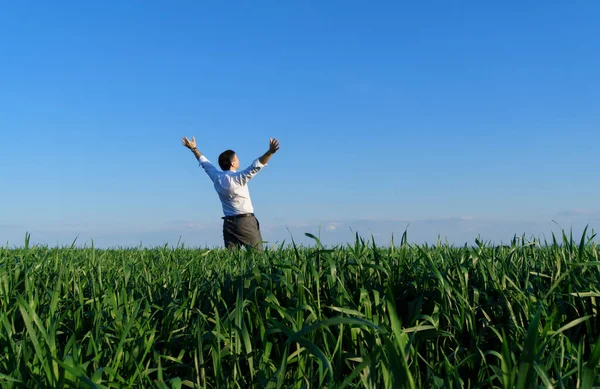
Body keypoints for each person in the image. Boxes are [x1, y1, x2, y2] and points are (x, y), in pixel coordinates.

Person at [181, 136, 280, 251]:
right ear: (233, 163)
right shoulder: (239, 177)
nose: (239, 160)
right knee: (258, 258)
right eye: (237, 158)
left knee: (232, 261)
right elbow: (256, 166)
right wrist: (270, 152)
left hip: (228, 224)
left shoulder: (217, 177)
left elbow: (205, 164)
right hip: (245, 222)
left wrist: (194, 149)